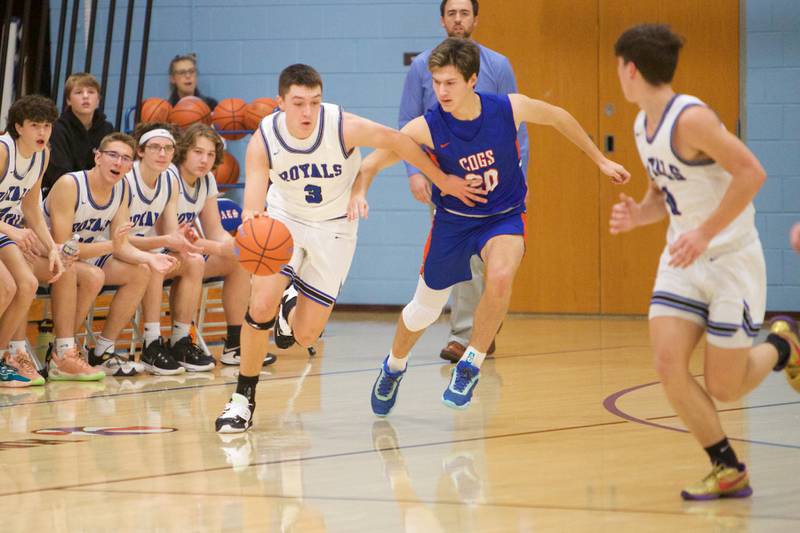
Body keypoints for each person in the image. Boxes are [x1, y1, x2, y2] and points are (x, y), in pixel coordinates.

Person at [354, 37, 628, 414]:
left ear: (472, 80)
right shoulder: (428, 126)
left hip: (503, 216)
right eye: (436, 82)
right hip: (454, 221)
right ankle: (394, 365)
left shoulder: (507, 108)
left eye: (449, 82)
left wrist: (600, 161)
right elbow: (372, 162)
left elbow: (560, 117)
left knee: (500, 277)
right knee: (425, 310)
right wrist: (361, 191)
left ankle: (470, 363)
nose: (441, 91)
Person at [214, 63, 485, 433]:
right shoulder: (265, 137)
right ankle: (242, 398)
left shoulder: (344, 126)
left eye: (314, 101)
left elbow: (401, 141)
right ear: (280, 103)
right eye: (297, 103)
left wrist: (441, 180)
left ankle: (289, 304)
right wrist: (250, 222)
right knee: (259, 304)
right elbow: (254, 200)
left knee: (306, 335)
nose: (307, 112)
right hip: (284, 220)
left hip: (336, 227)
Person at [609, 23, 800, 500]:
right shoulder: (640, 125)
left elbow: (752, 173)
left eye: (618, 67)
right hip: (682, 260)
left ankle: (784, 347)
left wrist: (705, 232)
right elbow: (664, 194)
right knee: (667, 362)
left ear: (630, 69)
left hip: (731, 261)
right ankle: (727, 466)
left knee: (725, 387)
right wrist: (639, 215)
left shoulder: (690, 119)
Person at [399, 0, 529, 363]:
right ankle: (464, 335)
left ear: (475, 19)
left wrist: (524, 176)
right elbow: (406, 124)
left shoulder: (498, 65)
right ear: (442, 20)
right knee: (463, 264)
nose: (458, 19)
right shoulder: (422, 66)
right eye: (451, 13)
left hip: (497, 179)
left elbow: (518, 126)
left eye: (464, 13)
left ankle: (478, 331)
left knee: (495, 264)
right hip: (450, 182)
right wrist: (417, 174)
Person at [45, 132, 176, 377]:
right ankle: (63, 351)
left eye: (125, 158)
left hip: (83, 254)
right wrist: (112, 245)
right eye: (113, 155)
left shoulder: (122, 188)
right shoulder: (70, 184)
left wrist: (150, 258)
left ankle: (102, 351)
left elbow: (121, 243)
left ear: (130, 165)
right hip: (46, 253)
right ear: (98, 157)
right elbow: (64, 248)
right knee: (92, 275)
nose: (118, 163)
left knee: (141, 272)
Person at [171, 123, 258, 371]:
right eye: (198, 152)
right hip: (157, 253)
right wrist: (219, 248)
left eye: (210, 154)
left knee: (239, 260)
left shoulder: (206, 180)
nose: (204, 160)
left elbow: (215, 230)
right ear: (185, 151)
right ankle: (180, 341)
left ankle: (234, 345)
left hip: (185, 255)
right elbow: (173, 237)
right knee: (195, 262)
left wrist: (237, 243)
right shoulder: (170, 177)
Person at [124, 122, 207, 375]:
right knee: (154, 263)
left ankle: (180, 340)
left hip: (149, 249)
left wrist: (183, 240)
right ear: (140, 151)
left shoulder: (170, 176)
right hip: (117, 251)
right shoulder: (126, 178)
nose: (162, 154)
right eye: (156, 148)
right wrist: (165, 244)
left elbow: (171, 232)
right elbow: (121, 241)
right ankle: (151, 343)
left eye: (168, 148)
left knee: (193, 260)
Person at [0, 95, 65, 386]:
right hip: (5, 230)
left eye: (47, 126)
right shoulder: (3, 150)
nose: (42, 132)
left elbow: (29, 208)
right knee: (6, 287)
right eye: (35, 125)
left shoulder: (43, 154)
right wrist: (13, 231)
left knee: (26, 285)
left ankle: (2, 356)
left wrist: (52, 246)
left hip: (4, 231)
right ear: (18, 127)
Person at [42, 73, 116, 196]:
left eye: (91, 92)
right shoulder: (57, 129)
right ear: (68, 100)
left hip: (100, 193)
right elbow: (60, 173)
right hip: (64, 193)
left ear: (98, 100)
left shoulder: (107, 128)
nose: (86, 96)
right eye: (79, 92)